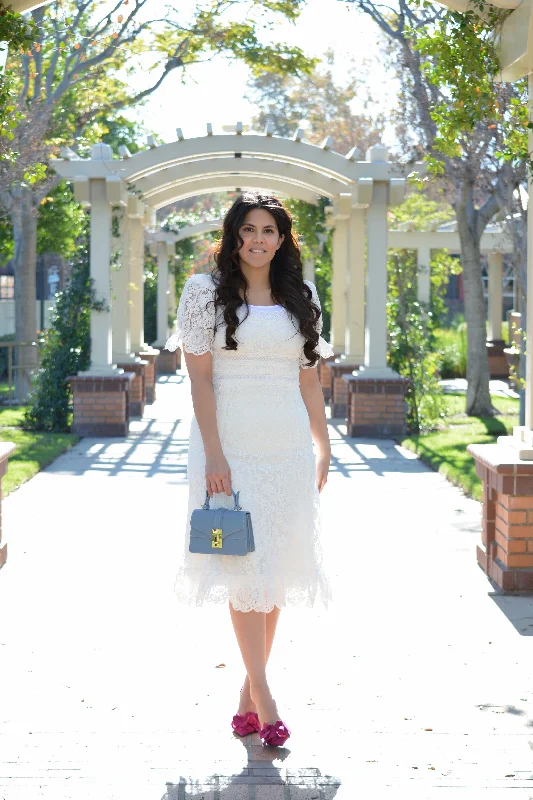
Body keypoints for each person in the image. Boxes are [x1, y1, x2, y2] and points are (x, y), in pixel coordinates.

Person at [164, 191, 334, 747]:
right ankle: (266, 698)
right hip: (229, 451)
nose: (258, 240)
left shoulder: (301, 296)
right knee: (242, 565)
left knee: (276, 569)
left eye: (269, 230)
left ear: (282, 239)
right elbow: (199, 380)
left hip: (287, 449)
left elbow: (309, 380)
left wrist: (323, 444)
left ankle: (245, 698)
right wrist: (214, 453)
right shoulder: (203, 294)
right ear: (232, 236)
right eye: (248, 229)